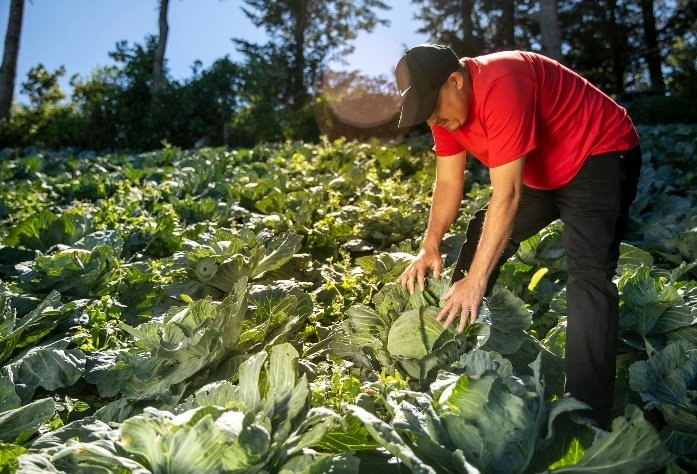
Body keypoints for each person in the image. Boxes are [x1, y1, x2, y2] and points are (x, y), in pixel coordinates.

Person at [394, 43, 641, 428]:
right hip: (542, 169)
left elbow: (506, 195)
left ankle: (587, 414)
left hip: (599, 154)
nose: (433, 121)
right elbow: (446, 182)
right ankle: (456, 340)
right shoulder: (445, 116)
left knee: (588, 279)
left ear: (455, 81)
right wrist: (430, 246)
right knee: (480, 234)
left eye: (434, 109)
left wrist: (477, 279)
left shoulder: (503, 83)